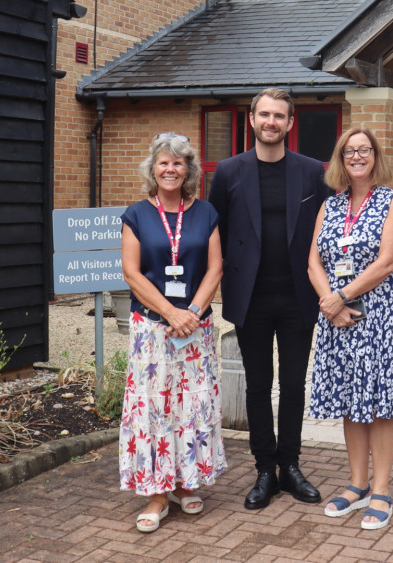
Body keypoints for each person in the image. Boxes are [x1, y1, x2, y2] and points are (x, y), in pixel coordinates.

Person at [209, 88, 330, 509]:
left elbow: (328, 234)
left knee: (294, 384)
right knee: (258, 386)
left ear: (290, 123)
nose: (271, 122)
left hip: (299, 297)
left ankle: (290, 467)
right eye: (264, 115)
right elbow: (214, 234)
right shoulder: (228, 172)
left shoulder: (314, 171)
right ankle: (264, 470)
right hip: (251, 297)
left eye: (279, 116)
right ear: (252, 120)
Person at [308, 126, 393, 530]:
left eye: (364, 150)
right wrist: (329, 302)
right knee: (352, 399)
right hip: (339, 317)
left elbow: (387, 261)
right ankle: (356, 484)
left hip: (380, 317)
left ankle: (382, 488)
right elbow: (313, 261)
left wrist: (342, 295)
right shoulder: (330, 206)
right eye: (349, 150)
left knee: (380, 401)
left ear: (375, 156)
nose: (357, 156)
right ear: (340, 158)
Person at [119, 132, 226, 533]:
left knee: (190, 406)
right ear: (153, 169)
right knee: (154, 407)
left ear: (189, 170)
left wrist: (192, 312)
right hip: (151, 328)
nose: (170, 169)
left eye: (178, 163)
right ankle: (156, 493)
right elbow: (131, 273)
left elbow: (215, 268)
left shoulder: (206, 213)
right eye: (164, 162)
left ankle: (184, 483)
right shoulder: (135, 215)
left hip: (194, 329)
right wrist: (169, 312)